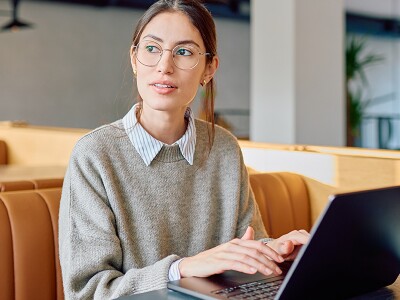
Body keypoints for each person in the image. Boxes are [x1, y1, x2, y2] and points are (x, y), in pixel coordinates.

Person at [58, 0, 310, 299]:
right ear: (134, 59)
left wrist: (275, 248)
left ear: (209, 69)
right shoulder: (95, 155)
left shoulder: (224, 148)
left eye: (184, 52)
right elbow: (87, 292)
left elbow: (245, 245)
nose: (164, 66)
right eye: (152, 49)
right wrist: (182, 268)